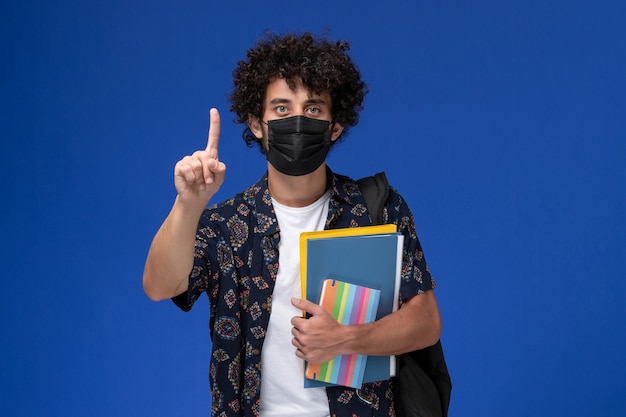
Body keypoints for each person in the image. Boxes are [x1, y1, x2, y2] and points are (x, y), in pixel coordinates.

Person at [143, 32, 442, 417]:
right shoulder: (225, 223)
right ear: (256, 123)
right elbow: (159, 286)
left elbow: (426, 322)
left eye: (313, 109)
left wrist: (347, 339)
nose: (298, 121)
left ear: (335, 126)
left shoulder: (377, 209)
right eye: (282, 109)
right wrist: (189, 203)